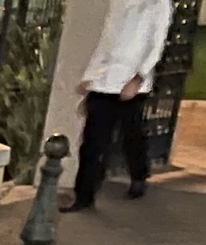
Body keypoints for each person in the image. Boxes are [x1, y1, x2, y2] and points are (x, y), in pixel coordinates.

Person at [70, 0, 170, 208]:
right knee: (92, 141)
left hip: (131, 82)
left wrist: (139, 78)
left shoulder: (157, 3)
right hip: (104, 81)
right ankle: (83, 195)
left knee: (131, 135)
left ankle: (138, 176)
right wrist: (90, 74)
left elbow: (156, 44)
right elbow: (106, 42)